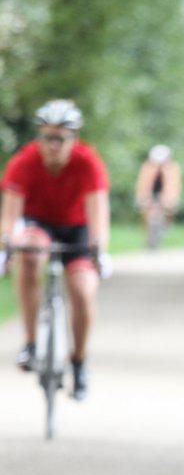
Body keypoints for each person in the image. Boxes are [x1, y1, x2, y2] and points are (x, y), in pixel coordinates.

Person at [0, 99, 112, 400]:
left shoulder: (87, 161)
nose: (53, 145)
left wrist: (99, 248)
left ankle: (79, 361)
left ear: (72, 139)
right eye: (47, 137)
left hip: (77, 228)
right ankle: (31, 343)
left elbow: (98, 210)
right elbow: (10, 215)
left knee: (83, 289)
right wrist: (6, 246)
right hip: (40, 225)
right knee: (29, 251)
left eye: (60, 139)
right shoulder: (24, 162)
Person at [134, 144, 182, 246]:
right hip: (151, 192)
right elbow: (143, 183)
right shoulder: (147, 167)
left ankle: (166, 227)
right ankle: (147, 235)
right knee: (146, 211)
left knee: (170, 209)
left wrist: (170, 199)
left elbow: (174, 185)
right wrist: (143, 197)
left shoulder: (172, 168)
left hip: (166, 194)